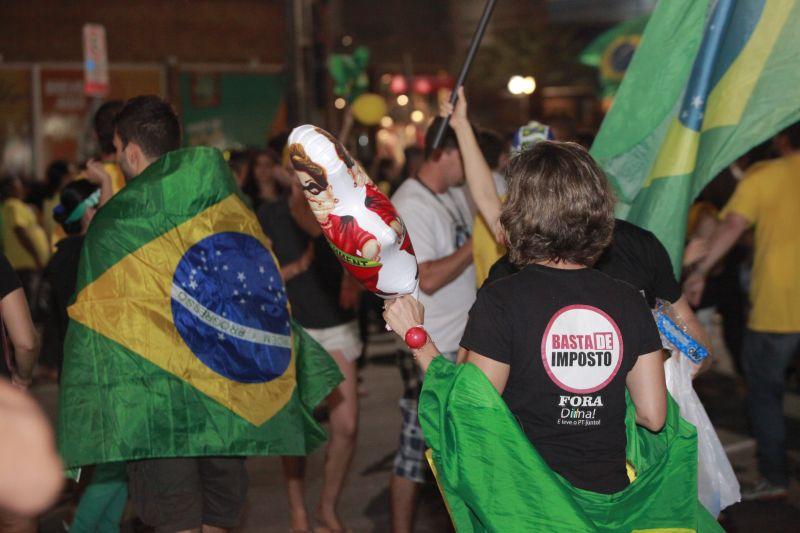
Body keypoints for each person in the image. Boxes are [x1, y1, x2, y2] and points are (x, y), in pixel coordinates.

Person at [384, 141, 667, 495]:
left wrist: (417, 337)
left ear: (520, 212)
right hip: (607, 500)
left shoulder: (502, 299)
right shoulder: (628, 300)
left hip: (529, 502)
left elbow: (472, 410)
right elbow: (654, 416)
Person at [111, 95, 248, 533]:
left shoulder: (120, 222)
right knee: (216, 515)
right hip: (218, 394)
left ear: (132, 152)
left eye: (117, 150)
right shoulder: (215, 204)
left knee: (178, 519)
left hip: (159, 405)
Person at [684, 123, 800, 501]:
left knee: (764, 391)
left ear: (781, 138)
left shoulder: (766, 175)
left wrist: (699, 270)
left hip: (779, 306)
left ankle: (776, 475)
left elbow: (734, 223)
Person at [257, 162, 362, 533]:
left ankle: (326, 507)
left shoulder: (335, 207)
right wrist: (296, 268)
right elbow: (258, 270)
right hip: (294, 326)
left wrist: (355, 278)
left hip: (335, 322)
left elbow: (357, 251)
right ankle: (298, 510)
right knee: (296, 427)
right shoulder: (268, 214)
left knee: (346, 424)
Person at [388, 110, 475, 533]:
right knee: (414, 447)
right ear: (443, 153)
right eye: (463, 153)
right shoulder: (409, 203)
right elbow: (430, 276)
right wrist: (477, 244)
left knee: (458, 447)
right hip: (429, 341)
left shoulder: (453, 194)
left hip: (461, 341)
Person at [0, 177, 50, 304]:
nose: (22, 188)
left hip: (27, 263)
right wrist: (36, 256)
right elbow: (20, 231)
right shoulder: (13, 205)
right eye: (19, 185)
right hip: (25, 263)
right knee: (28, 303)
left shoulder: (19, 206)